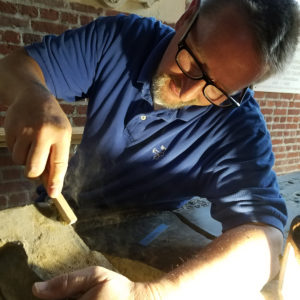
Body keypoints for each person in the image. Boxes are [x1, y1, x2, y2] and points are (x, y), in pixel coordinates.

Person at [0, 0, 299, 298]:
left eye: (218, 90)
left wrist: (150, 295)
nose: (188, 91)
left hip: (142, 231)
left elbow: (267, 242)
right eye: (193, 61)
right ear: (187, 16)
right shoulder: (122, 39)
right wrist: (31, 92)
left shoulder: (238, 127)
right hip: (59, 208)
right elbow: (14, 67)